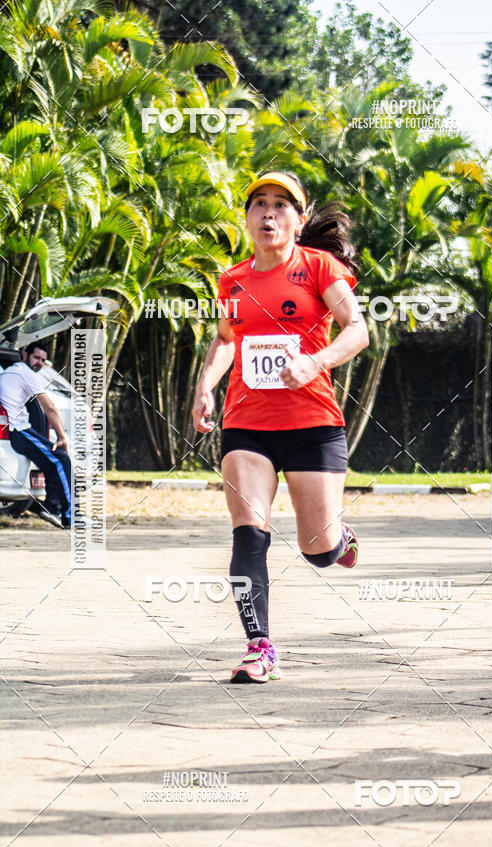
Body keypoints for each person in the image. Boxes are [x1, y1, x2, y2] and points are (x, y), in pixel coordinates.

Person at [192, 170, 369, 684]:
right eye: (259, 204)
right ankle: (259, 646)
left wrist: (316, 363)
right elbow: (226, 339)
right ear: (246, 216)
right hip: (246, 424)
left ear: (300, 217)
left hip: (313, 423)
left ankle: (338, 538)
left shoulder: (320, 268)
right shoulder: (233, 279)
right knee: (249, 532)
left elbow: (357, 329)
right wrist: (206, 385)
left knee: (318, 551)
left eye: (281, 204)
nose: (268, 213)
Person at [0, 341, 71, 528]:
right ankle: (69, 516)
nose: (39, 362)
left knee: (54, 462)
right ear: (25, 355)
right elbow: (49, 407)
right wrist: (62, 437)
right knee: (61, 460)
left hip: (21, 430)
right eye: (36, 357)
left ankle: (51, 508)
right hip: (20, 432)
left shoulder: (9, 371)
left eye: (43, 360)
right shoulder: (25, 373)